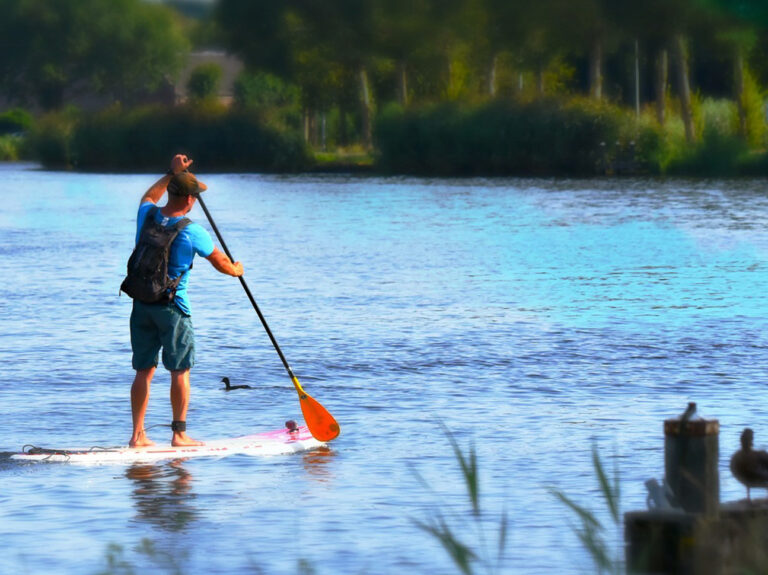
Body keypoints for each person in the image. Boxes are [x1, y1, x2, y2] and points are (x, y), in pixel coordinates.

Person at [128, 154, 243, 447]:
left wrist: (171, 172)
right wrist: (236, 270)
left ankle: (137, 435)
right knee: (179, 370)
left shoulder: (147, 216)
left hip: (141, 304)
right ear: (191, 199)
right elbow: (220, 262)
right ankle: (179, 434)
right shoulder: (193, 230)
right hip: (173, 310)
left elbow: (148, 196)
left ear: (170, 192)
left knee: (144, 370)